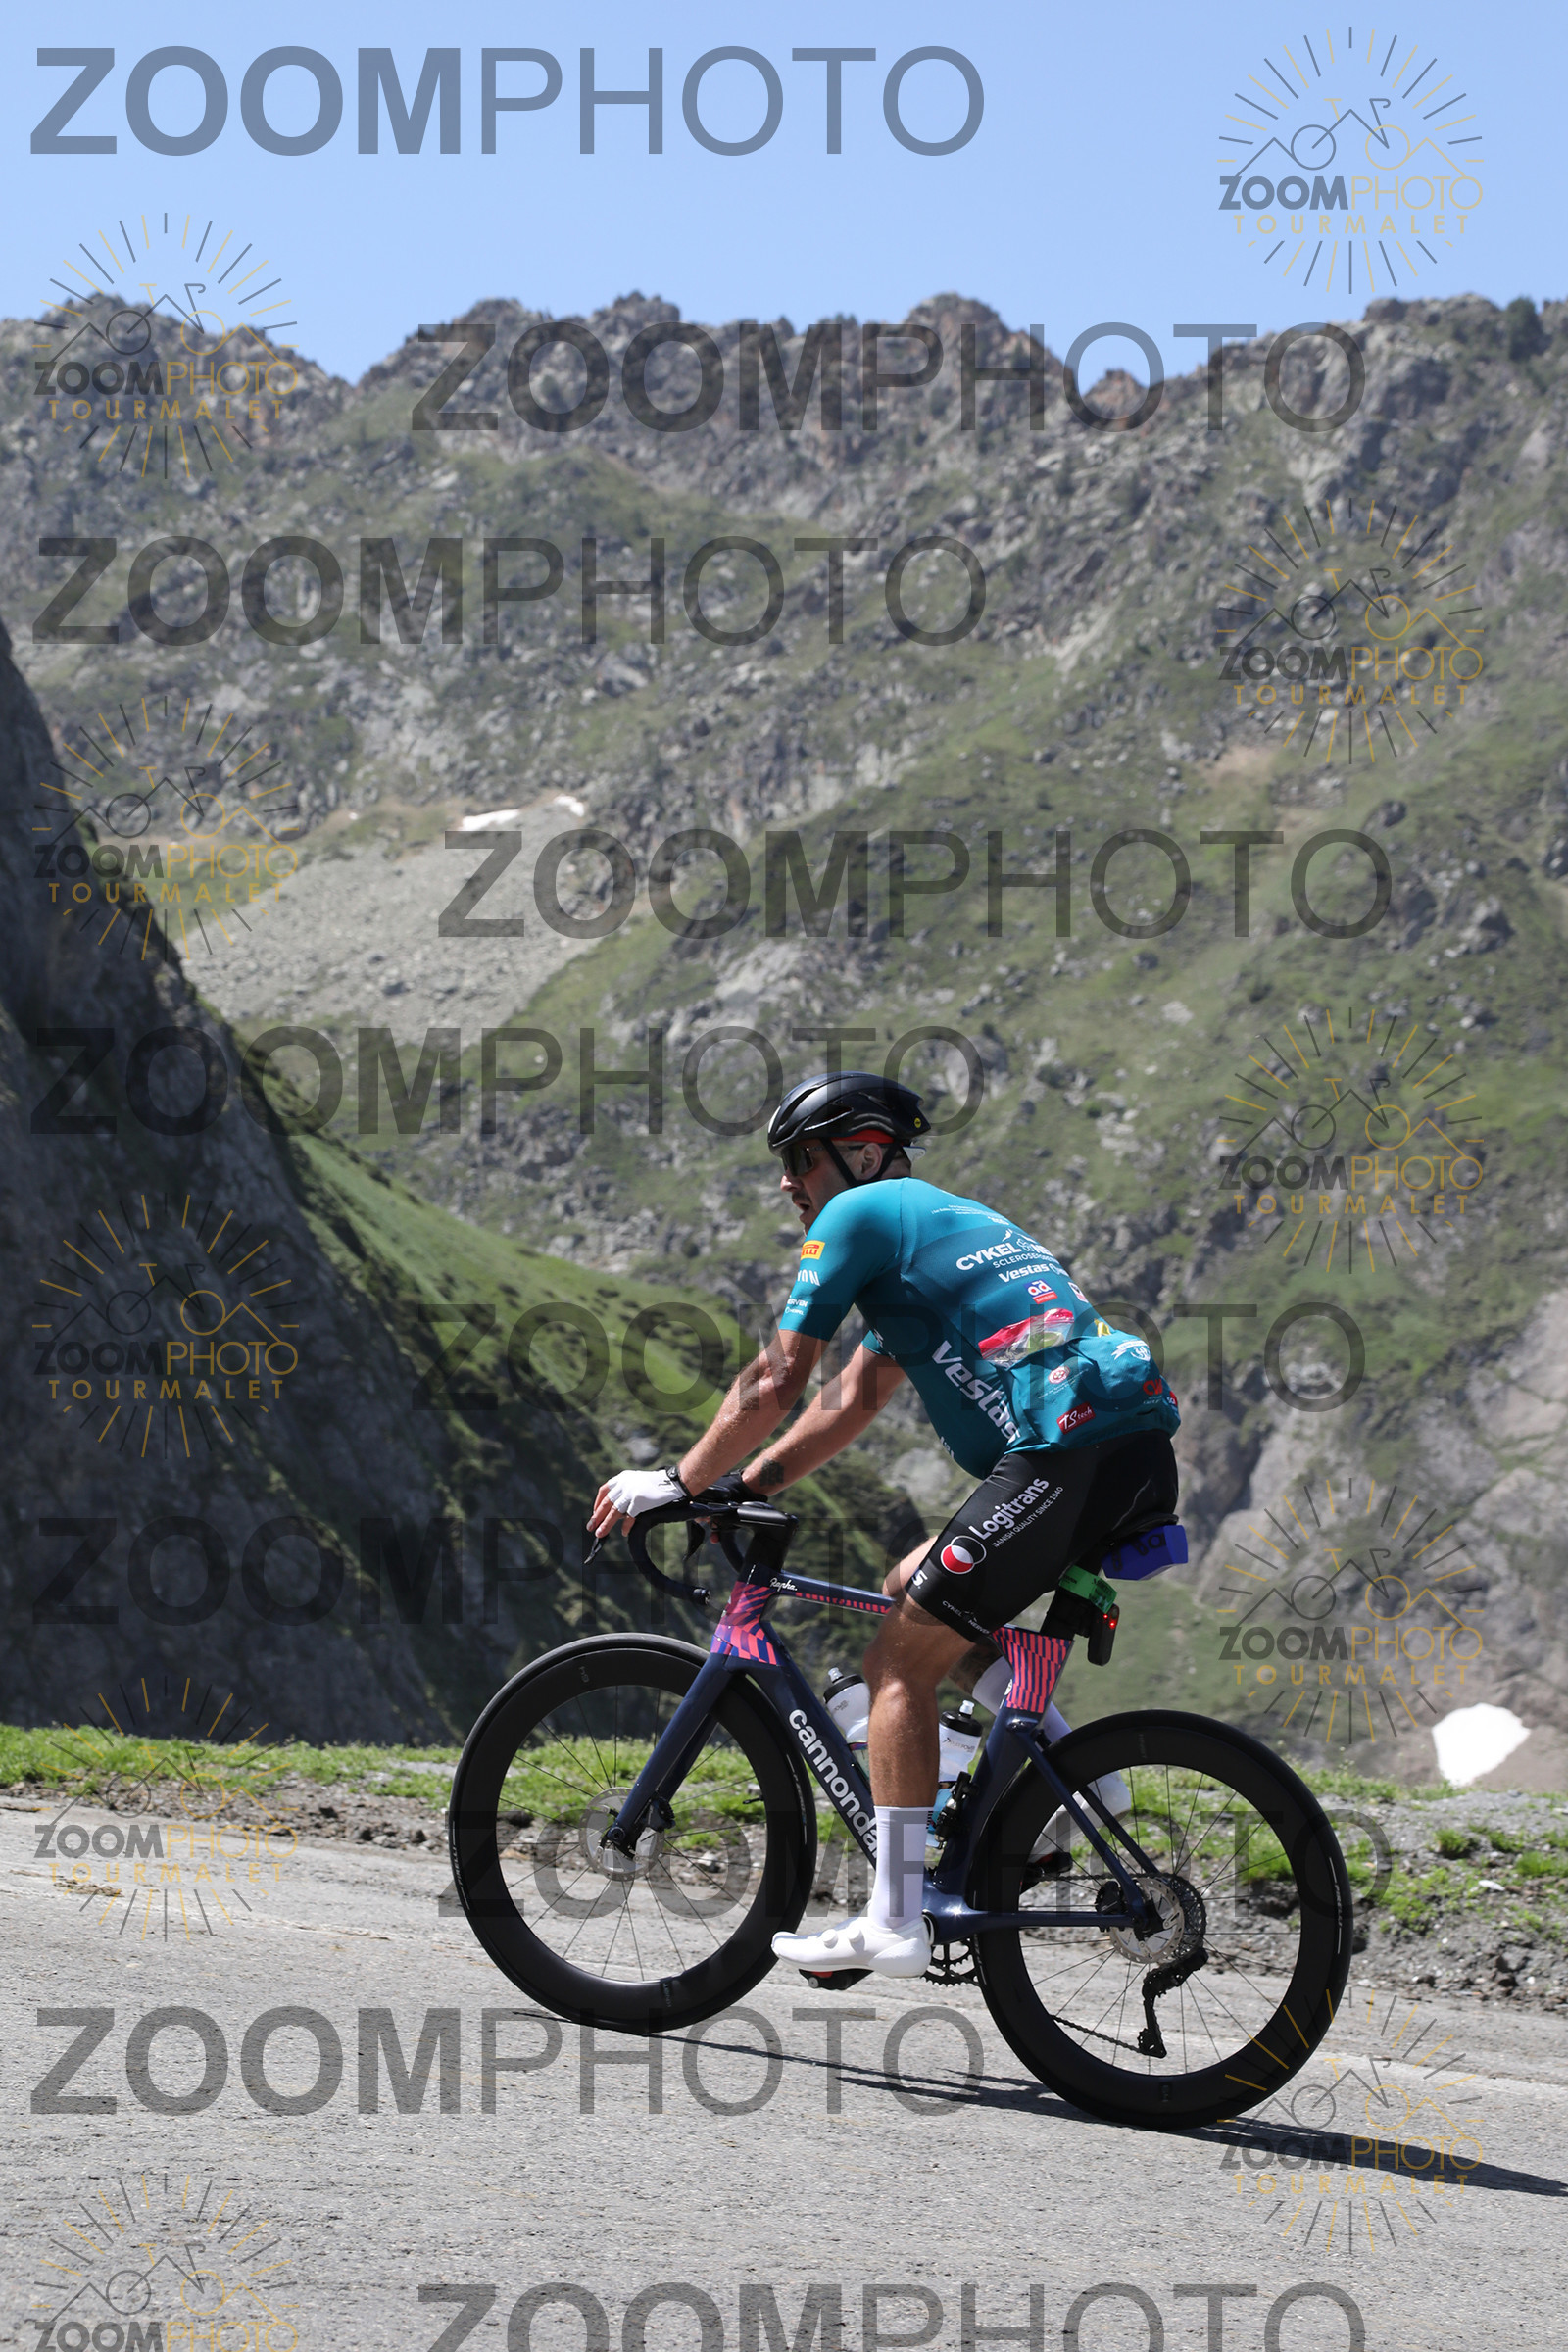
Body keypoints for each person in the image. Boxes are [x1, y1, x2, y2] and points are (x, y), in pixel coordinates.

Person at [588, 1071, 1180, 1978]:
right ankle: (1080, 1779)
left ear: (863, 1153)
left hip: (1065, 1454)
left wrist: (676, 1481)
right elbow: (854, 1396)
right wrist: (741, 1485)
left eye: (801, 1159)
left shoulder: (859, 1216)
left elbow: (777, 1379)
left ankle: (895, 1920)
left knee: (897, 1664)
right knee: (912, 1585)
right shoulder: (932, 1227)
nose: (788, 1181)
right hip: (1124, 1451)